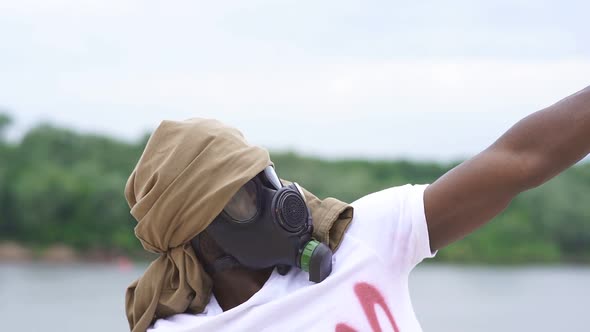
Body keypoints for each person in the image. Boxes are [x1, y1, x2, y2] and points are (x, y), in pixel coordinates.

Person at [124, 86, 590, 332]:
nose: (277, 201)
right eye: (244, 198)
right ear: (201, 237)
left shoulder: (363, 237)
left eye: (266, 179)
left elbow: (518, 162)